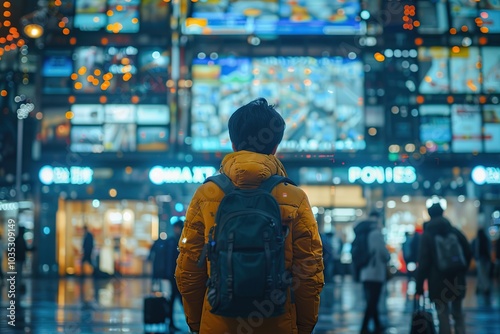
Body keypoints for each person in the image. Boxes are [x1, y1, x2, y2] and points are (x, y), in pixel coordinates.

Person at [175, 97, 325, 334]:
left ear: (233, 144)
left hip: (217, 324)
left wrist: (197, 323)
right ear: (275, 147)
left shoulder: (206, 194)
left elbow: (188, 270)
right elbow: (309, 271)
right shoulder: (294, 197)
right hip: (278, 323)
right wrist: (304, 326)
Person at [416, 201, 472, 334]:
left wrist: (419, 285)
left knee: (443, 315)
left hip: (438, 280)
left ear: (429, 215)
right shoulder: (455, 231)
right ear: (443, 213)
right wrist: (462, 270)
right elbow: (468, 252)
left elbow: (424, 262)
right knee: (458, 313)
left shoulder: (428, 235)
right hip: (457, 278)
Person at [355, 211, 390, 334]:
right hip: (375, 272)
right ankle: (364, 327)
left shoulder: (364, 232)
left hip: (365, 271)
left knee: (371, 299)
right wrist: (388, 255)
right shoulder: (376, 233)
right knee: (373, 301)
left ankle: (377, 324)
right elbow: (383, 254)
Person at [149, 220, 184, 332]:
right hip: (173, 277)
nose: (176, 230)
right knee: (176, 300)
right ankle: (173, 323)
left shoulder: (174, 241)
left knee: (177, 300)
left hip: (176, 276)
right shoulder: (173, 242)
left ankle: (174, 323)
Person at [471, 227, 492, 296]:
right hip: (486, 259)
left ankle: (484, 288)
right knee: (483, 274)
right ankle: (482, 288)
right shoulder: (486, 239)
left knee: (482, 274)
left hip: (480, 259)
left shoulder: (477, 240)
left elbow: (474, 250)